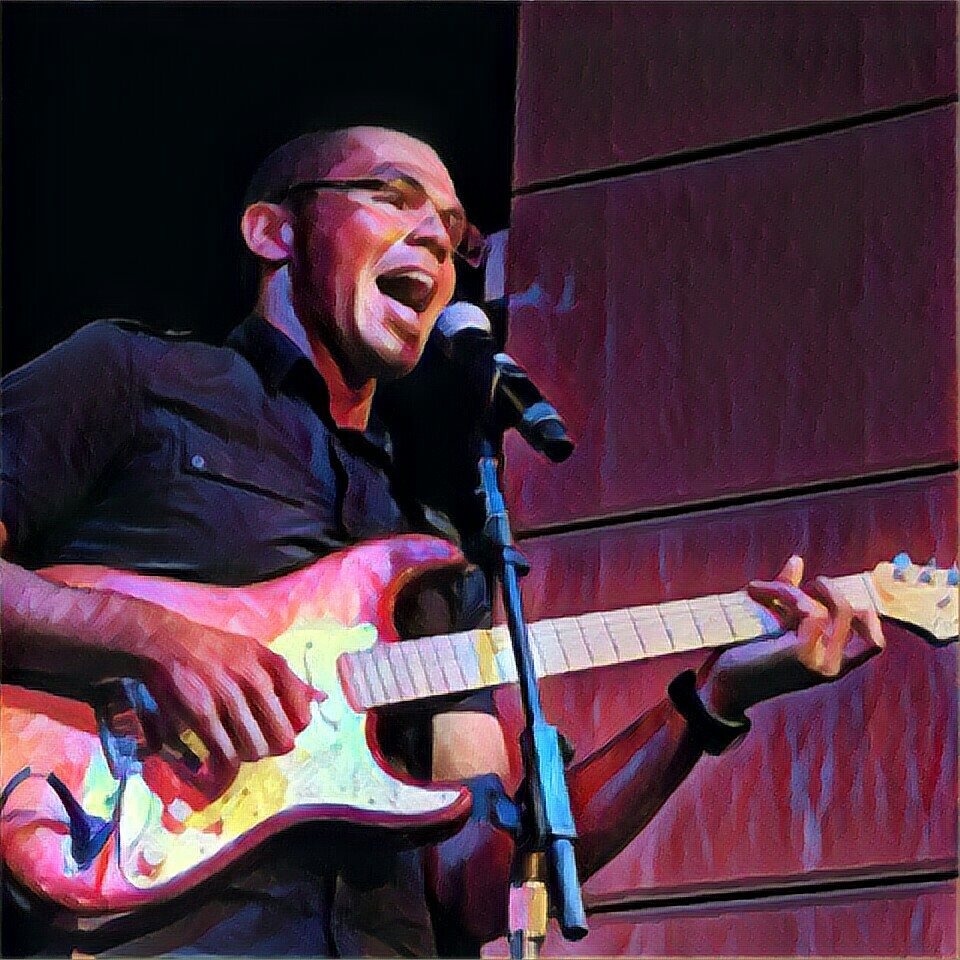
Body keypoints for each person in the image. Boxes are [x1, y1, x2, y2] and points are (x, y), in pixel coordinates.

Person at [1, 126, 887, 957]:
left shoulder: (427, 550)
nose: (435, 235)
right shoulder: (132, 377)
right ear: (274, 231)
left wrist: (711, 700)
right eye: (393, 196)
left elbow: (473, 883)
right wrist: (150, 638)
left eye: (456, 230)